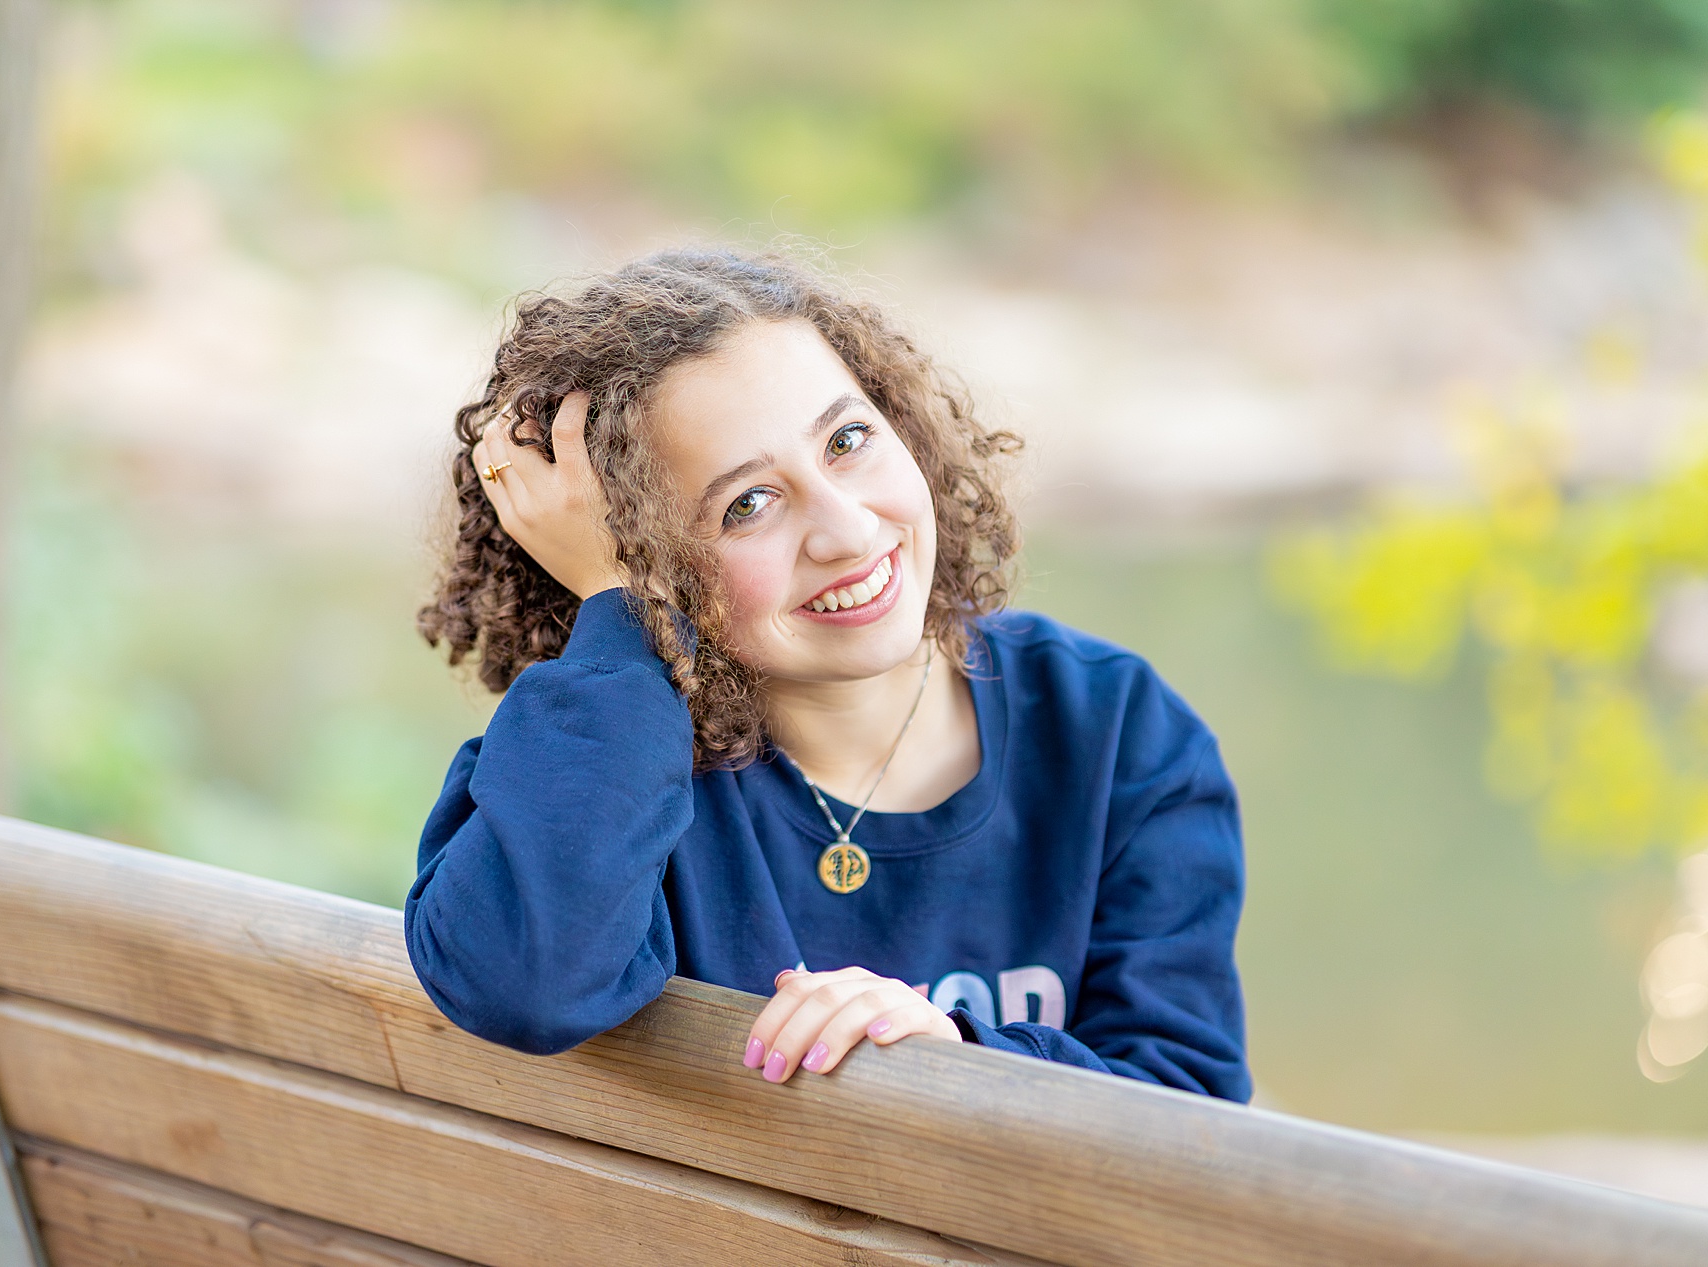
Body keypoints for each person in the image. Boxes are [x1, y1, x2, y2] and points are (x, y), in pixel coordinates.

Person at [406, 248, 1251, 1101]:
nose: (845, 530)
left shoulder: (1111, 728)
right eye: (748, 504)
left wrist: (955, 1053)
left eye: (847, 441)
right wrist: (620, 610)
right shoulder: (600, 770)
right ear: (642, 559)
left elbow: (1192, 1104)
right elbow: (526, 981)